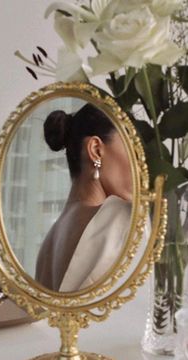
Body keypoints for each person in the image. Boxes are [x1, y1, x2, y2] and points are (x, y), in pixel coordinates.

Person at [35, 103, 133, 292]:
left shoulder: (51, 239)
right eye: (134, 153)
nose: (141, 167)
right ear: (96, 149)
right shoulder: (120, 215)